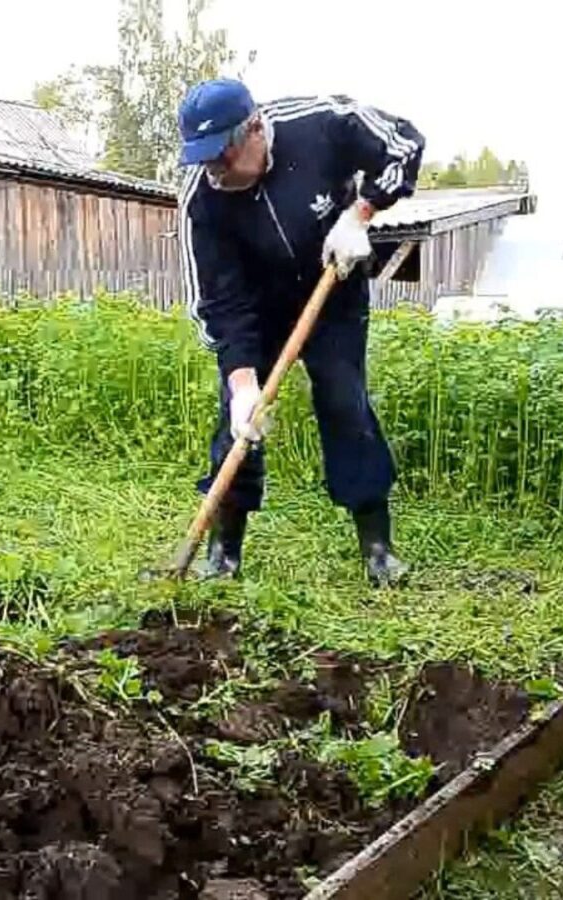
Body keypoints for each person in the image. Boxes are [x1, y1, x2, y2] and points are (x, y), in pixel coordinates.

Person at [175, 78, 425, 586]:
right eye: (202, 160)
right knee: (237, 421)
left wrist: (360, 215)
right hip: (257, 308)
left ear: (254, 130)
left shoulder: (321, 124)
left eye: (221, 156)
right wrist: (244, 388)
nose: (214, 172)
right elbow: (220, 302)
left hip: (333, 288)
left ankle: (378, 548)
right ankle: (224, 554)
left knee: (344, 400)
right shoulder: (203, 202)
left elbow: (405, 144)